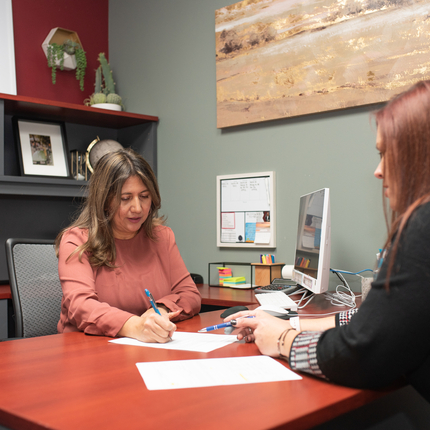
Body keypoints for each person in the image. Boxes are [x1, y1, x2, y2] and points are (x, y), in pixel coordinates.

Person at [225, 80, 430, 403]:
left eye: (387, 154)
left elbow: (362, 355)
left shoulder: (422, 227)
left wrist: (283, 340)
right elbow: (373, 322)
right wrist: (290, 322)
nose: (378, 171)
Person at [55, 148, 201, 342]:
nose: (138, 208)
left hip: (147, 349)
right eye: (125, 198)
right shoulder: (76, 241)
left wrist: (160, 312)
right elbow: (81, 306)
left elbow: (190, 294)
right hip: (87, 351)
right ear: (105, 200)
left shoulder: (162, 237)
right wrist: (134, 326)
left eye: (144, 196)